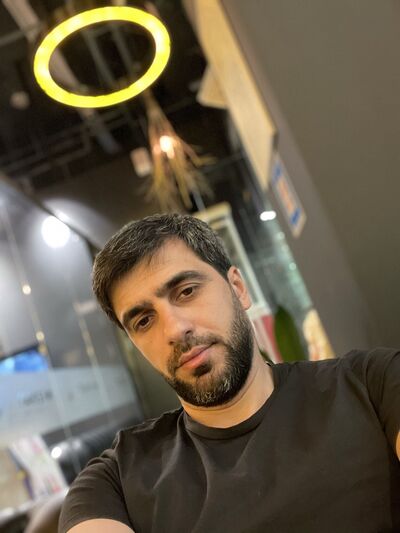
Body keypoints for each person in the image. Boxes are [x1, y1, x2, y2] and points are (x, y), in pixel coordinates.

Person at [59, 213, 400, 533]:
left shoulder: (372, 384)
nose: (174, 329)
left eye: (186, 291)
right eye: (144, 320)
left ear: (237, 287)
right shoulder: (114, 481)